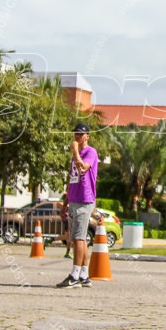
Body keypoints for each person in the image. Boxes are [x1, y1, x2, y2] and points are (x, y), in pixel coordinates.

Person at [57, 123, 98, 288]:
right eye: (75, 134)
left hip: (84, 200)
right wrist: (65, 203)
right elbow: (72, 181)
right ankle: (83, 275)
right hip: (74, 200)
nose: (77, 137)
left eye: (81, 134)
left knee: (78, 238)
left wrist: (75, 151)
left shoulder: (90, 152)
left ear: (87, 136)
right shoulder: (76, 155)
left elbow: (82, 169)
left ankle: (74, 275)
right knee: (79, 238)